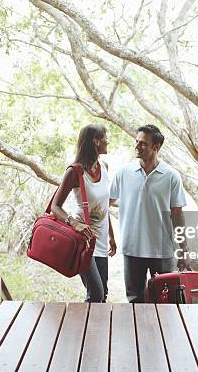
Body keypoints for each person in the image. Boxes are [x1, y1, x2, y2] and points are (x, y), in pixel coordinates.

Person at [110, 124, 189, 303]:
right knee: (135, 301)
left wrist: (184, 249)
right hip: (132, 248)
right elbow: (103, 204)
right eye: (136, 141)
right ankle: (137, 332)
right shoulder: (123, 173)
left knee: (166, 301)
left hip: (162, 250)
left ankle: (163, 332)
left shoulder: (171, 176)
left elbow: (177, 214)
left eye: (143, 143)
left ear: (156, 147)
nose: (137, 146)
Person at [52, 125, 117, 302]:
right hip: (83, 242)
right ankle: (80, 329)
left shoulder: (104, 166)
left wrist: (111, 235)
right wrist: (74, 223)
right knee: (95, 294)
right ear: (96, 141)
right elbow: (55, 206)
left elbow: (103, 206)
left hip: (101, 241)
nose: (107, 141)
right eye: (105, 137)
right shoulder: (75, 172)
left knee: (102, 294)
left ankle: (96, 329)